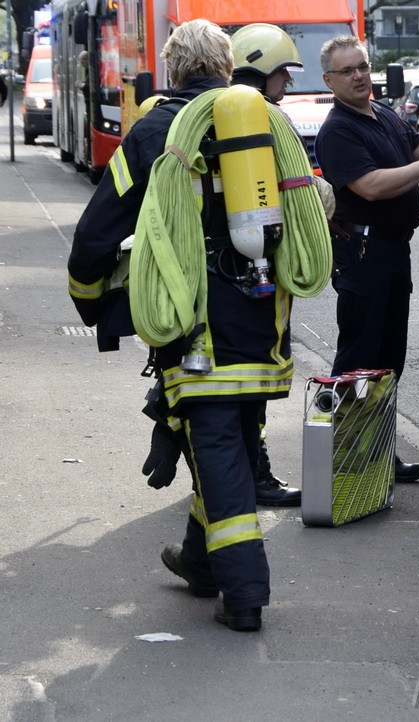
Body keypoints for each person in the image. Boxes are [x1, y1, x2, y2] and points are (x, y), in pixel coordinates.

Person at [69, 19, 328, 632]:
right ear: (226, 65)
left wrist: (90, 300)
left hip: (196, 330)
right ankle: (200, 563)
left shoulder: (157, 131)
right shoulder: (267, 121)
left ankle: (245, 596)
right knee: (232, 441)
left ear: (175, 71)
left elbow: (98, 233)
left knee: (214, 444)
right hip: (266, 321)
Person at [314, 36, 419, 483]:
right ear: (329, 80)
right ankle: (343, 457)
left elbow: (416, 147)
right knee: (360, 356)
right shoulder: (337, 130)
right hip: (364, 255)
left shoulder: (383, 114)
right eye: (348, 71)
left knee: (389, 360)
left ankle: (377, 454)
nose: (359, 75)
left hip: (394, 251)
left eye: (362, 66)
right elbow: (372, 185)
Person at [227, 22, 336, 508]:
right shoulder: (266, 120)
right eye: (282, 74)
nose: (288, 83)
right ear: (259, 70)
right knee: (258, 375)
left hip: (223, 266)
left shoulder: (216, 116)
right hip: (261, 269)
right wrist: (319, 195)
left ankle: (234, 471)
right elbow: (295, 190)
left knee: (231, 378)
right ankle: (256, 476)